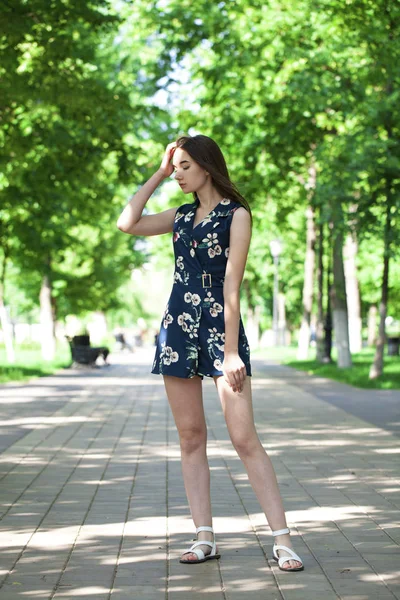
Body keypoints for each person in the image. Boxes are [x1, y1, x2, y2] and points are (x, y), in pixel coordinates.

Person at [117, 135, 304, 571]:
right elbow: (127, 222)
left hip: (222, 329)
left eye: (184, 167)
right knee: (190, 437)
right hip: (178, 327)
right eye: (175, 168)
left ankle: (282, 538)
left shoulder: (237, 215)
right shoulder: (180, 217)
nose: (178, 175)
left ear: (206, 166)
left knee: (243, 438)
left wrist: (232, 352)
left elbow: (232, 288)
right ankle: (204, 536)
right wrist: (158, 173)